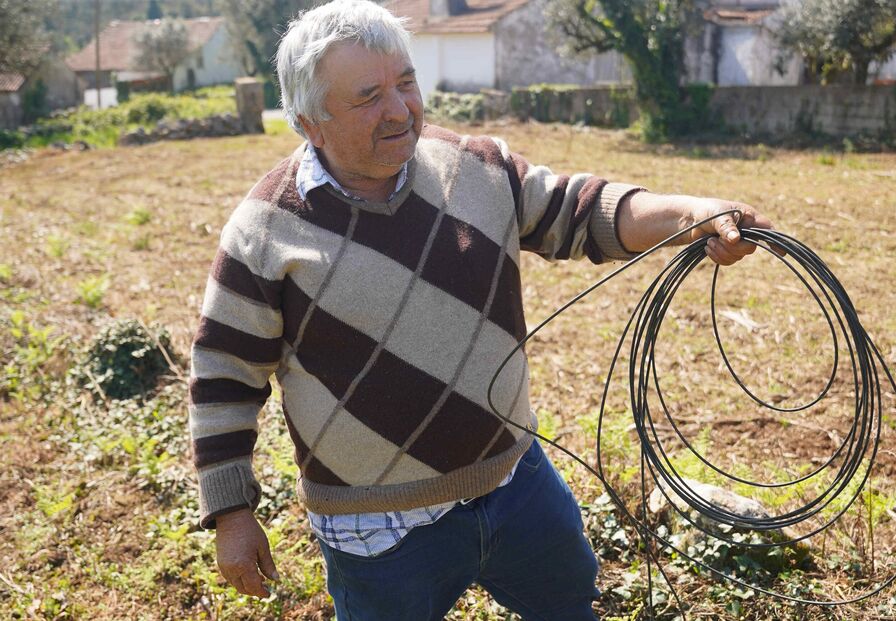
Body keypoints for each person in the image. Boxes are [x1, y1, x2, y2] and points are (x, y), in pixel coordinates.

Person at [187, 1, 774, 619]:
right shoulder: (266, 230)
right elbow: (224, 373)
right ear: (311, 123)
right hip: (376, 528)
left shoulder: (478, 167)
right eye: (368, 97)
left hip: (515, 482)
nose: (400, 110)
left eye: (405, 82)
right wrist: (232, 512)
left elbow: (580, 210)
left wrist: (689, 215)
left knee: (569, 605)